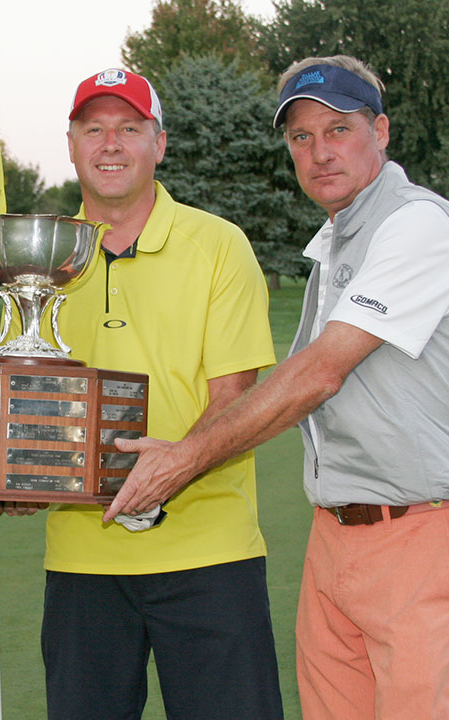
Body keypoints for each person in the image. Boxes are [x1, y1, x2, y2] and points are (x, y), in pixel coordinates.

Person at [109, 55, 449, 720]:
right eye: (301, 137)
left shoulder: (418, 223)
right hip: (336, 535)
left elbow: (318, 374)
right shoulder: (336, 243)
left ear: (380, 130)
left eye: (338, 129)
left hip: (422, 532)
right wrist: (181, 457)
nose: (319, 152)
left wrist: (182, 460)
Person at [36, 68, 283, 719]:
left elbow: (235, 394)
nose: (110, 144)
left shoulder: (218, 245)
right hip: (83, 557)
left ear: (159, 143)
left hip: (210, 552)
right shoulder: (42, 256)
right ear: (71, 145)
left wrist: (166, 471)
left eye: (129, 128)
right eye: (94, 129)